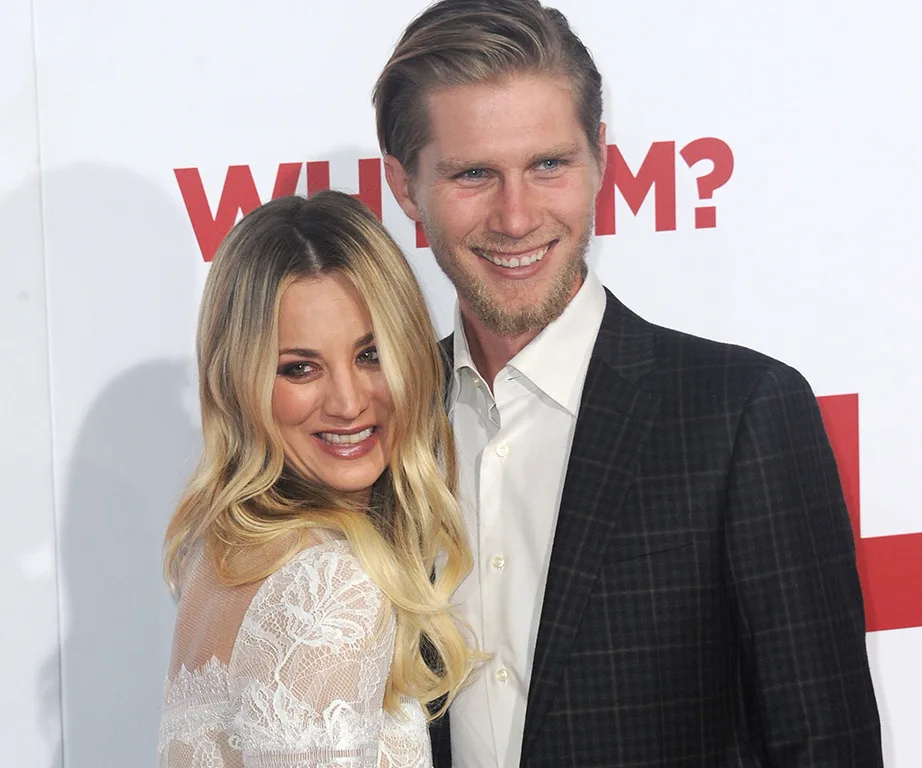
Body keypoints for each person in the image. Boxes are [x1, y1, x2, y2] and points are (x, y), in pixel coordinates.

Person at [373, 1, 884, 766]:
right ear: (405, 188)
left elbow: (826, 743)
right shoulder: (380, 424)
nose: (517, 217)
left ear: (601, 160)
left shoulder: (741, 414)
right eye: (474, 174)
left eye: (550, 164)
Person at [157, 190, 480, 767]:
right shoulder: (328, 586)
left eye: (371, 354)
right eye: (299, 368)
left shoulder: (215, 551)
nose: (349, 402)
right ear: (238, 380)